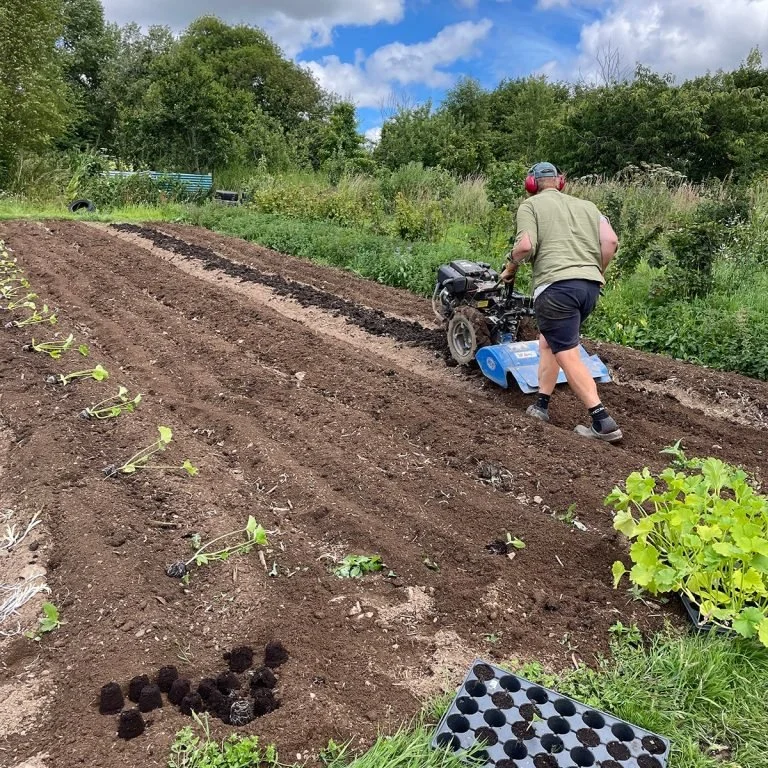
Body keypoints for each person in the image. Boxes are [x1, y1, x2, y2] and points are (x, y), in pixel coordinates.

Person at [500, 162, 622, 442]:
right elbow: (611, 242)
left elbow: (525, 246)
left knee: (566, 351)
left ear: (531, 184)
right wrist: (596, 271)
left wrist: (511, 266)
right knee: (549, 342)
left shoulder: (529, 207)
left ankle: (602, 420)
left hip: (556, 289)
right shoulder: (589, 206)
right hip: (589, 288)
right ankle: (541, 405)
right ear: (560, 181)